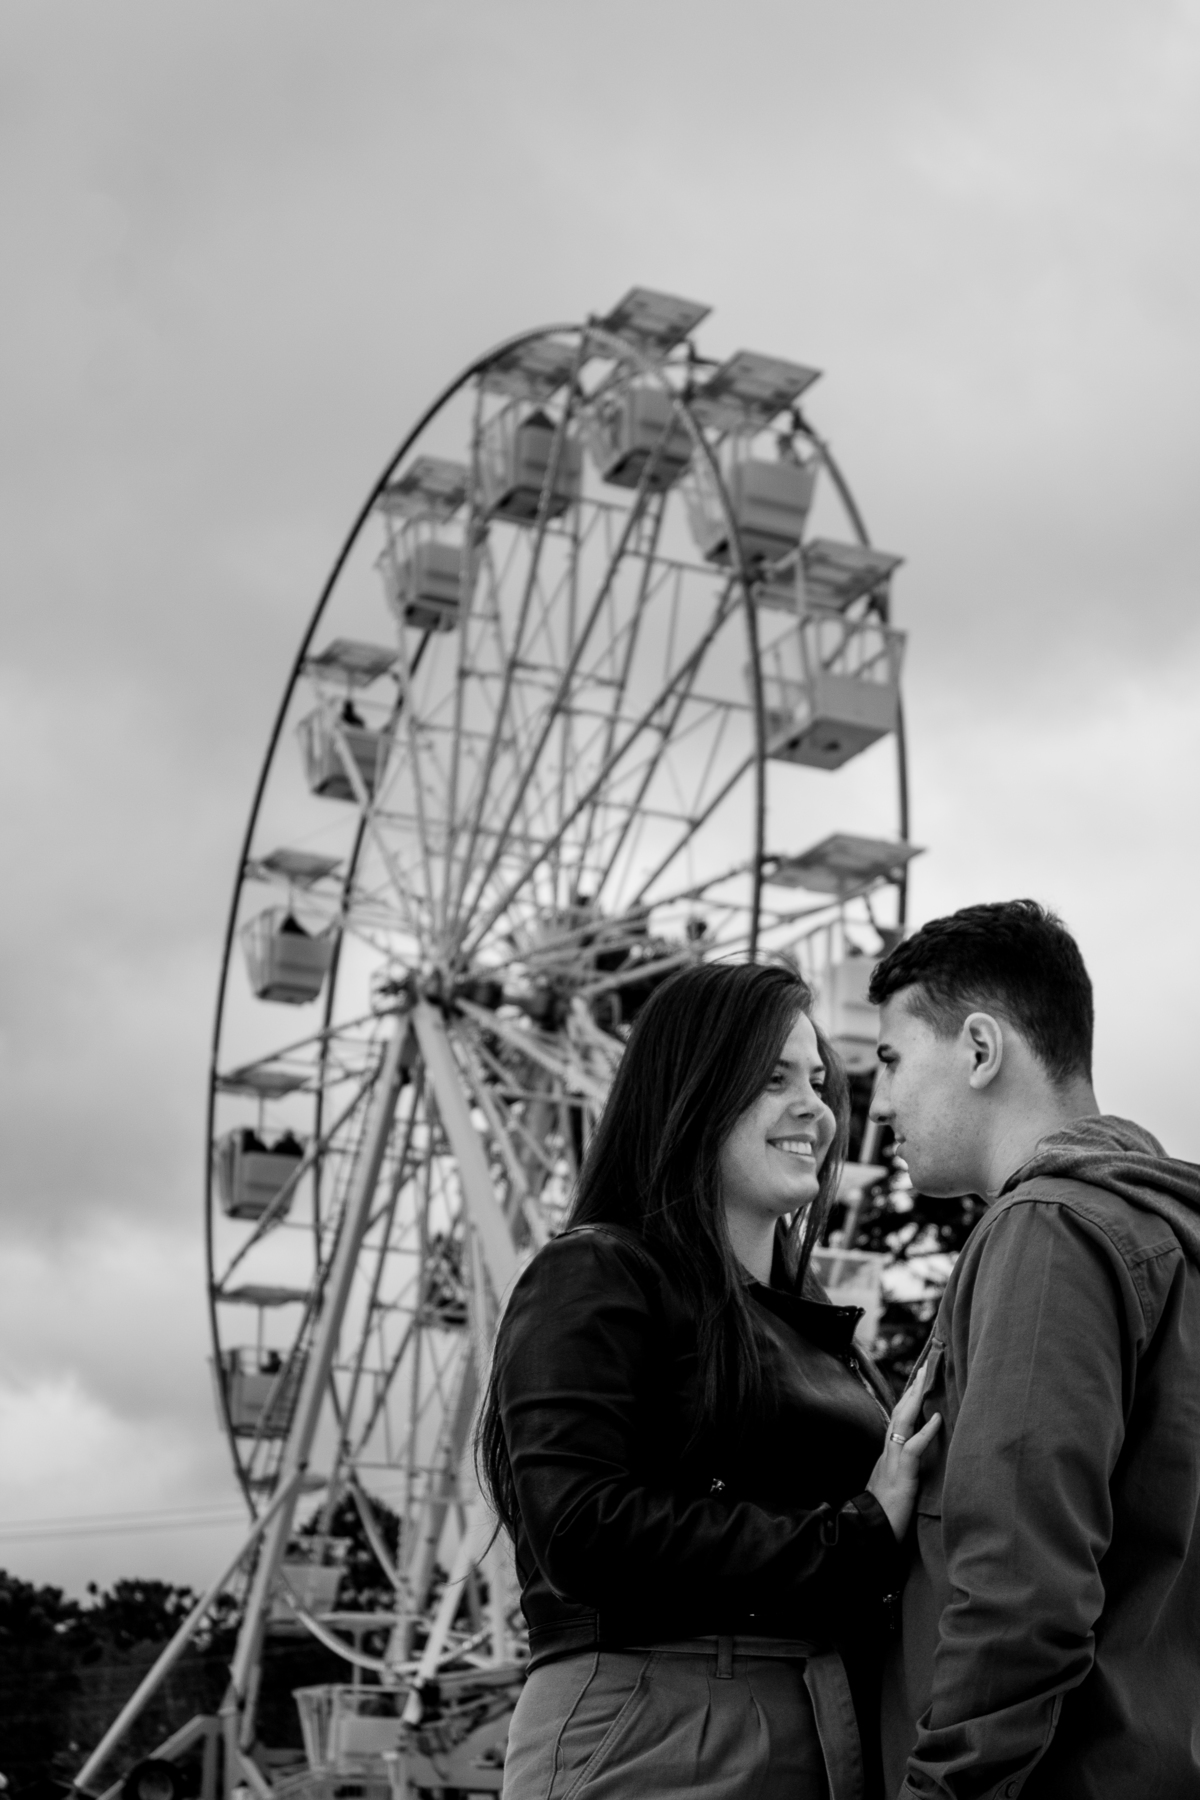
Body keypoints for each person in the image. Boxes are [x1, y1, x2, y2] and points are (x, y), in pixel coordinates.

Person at [477, 958, 940, 1800]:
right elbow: (580, 1526)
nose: (816, 1108)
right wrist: (856, 1536)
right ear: (689, 1093)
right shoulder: (595, 1274)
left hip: (827, 1715)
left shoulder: (815, 1322)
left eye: (819, 1080)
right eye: (771, 1080)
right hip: (658, 1714)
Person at [868, 900, 1200, 1798]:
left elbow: (1021, 1590)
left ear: (980, 1049)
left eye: (892, 1061)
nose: (879, 1101)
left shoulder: (1049, 1232)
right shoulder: (1164, 1234)